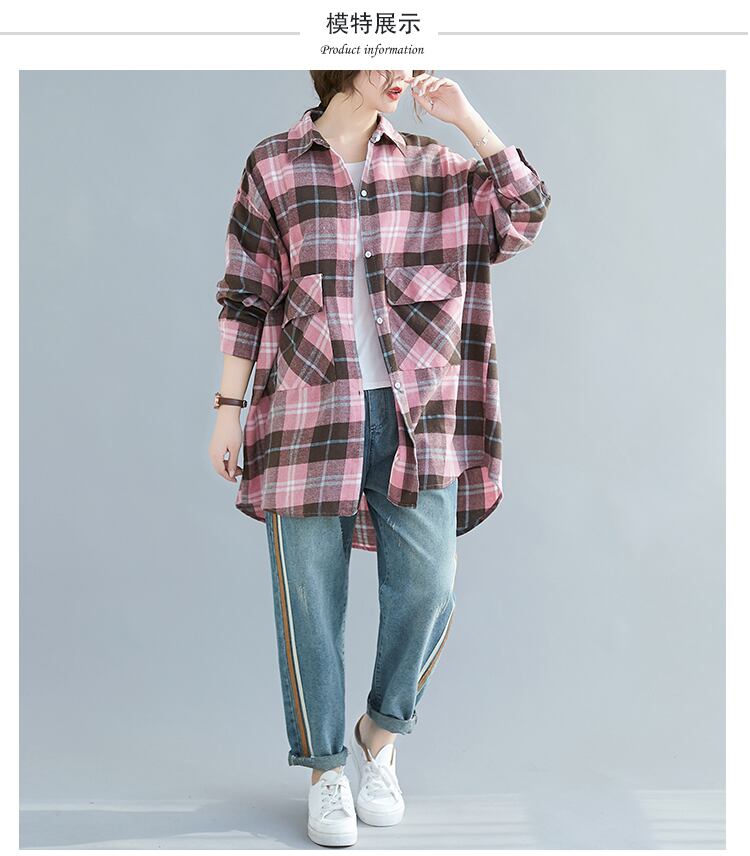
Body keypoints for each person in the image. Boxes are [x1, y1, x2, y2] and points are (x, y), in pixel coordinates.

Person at [209, 70, 551, 847]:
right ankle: (325, 771)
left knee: (429, 590)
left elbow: (524, 213)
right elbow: (245, 295)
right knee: (309, 605)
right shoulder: (274, 166)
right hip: (306, 415)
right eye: (384, 56)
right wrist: (227, 410)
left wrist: (469, 120)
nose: (401, 72)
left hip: (417, 419)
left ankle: (380, 735)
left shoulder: (436, 167)